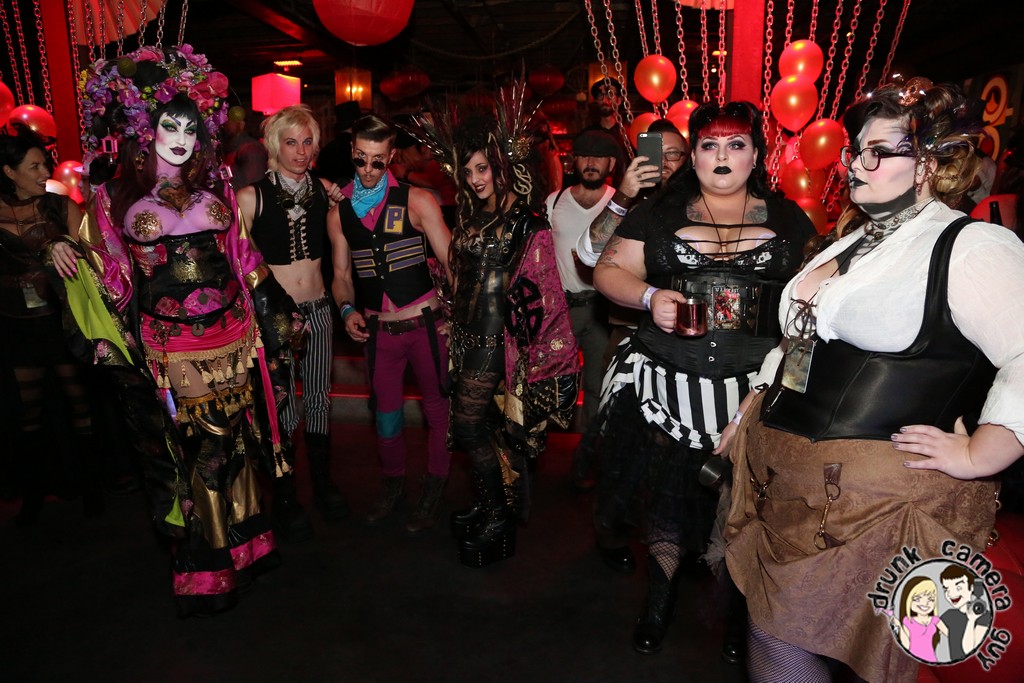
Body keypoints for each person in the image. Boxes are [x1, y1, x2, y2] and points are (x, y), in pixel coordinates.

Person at [724, 82, 1024, 682]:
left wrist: (983, 451)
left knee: (856, 654)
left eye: (879, 152)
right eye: (855, 150)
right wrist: (750, 406)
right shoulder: (855, 239)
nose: (856, 165)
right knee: (778, 632)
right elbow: (797, 342)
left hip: (881, 506)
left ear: (930, 164)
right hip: (786, 482)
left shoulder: (968, 246)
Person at [75, 44, 298, 617]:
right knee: (204, 447)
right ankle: (205, 567)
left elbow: (245, 258)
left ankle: (246, 547)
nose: (181, 137)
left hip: (234, 335)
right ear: (143, 127)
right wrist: (58, 248)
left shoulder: (218, 188)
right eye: (169, 125)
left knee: (238, 442)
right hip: (172, 345)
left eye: (191, 127)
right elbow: (105, 272)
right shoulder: (113, 197)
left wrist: (278, 314)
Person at [590, 101, 815, 655]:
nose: (722, 156)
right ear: (693, 156)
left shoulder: (790, 219)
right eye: (710, 145)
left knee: (746, 508)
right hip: (668, 383)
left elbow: (816, 311)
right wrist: (650, 296)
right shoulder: (657, 212)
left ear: (756, 155)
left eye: (736, 144)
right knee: (666, 503)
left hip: (754, 390)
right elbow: (606, 269)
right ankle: (659, 599)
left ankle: (740, 617)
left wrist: (793, 387)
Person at [446, 99, 579, 568]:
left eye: (482, 168)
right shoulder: (472, 214)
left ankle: (499, 521)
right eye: (467, 171)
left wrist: (533, 354)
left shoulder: (525, 219)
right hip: (467, 335)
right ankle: (489, 506)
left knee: (467, 428)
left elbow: (542, 289)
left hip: (494, 341)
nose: (474, 179)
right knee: (481, 427)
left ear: (500, 165)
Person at [327, 115, 453, 534]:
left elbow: (453, 263)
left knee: (438, 411)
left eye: (377, 161)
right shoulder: (339, 212)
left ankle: (434, 486)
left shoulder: (418, 200)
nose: (367, 169)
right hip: (379, 332)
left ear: (392, 156)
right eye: (360, 159)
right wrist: (347, 309)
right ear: (352, 153)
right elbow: (341, 275)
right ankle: (393, 484)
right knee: (385, 418)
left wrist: (460, 319)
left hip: (425, 325)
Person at [237, 104, 349, 537]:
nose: (301, 151)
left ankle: (323, 483)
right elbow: (236, 266)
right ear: (273, 145)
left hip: (318, 309)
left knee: (319, 399)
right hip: (276, 318)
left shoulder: (324, 189)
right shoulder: (250, 198)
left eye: (307, 142)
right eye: (291, 143)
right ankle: (284, 492)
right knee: (279, 404)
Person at [0, 128, 98, 525]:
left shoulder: (60, 206)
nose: (45, 173)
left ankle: (92, 490)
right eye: (34, 166)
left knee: (80, 406)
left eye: (45, 164)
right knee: (28, 415)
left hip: (63, 322)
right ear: (9, 172)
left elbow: (94, 256)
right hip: (16, 327)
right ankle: (33, 494)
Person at [544, 129, 617, 441]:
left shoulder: (619, 203)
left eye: (598, 157)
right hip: (562, 308)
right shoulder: (554, 201)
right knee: (554, 380)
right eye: (585, 155)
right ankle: (550, 447)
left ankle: (589, 450)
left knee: (598, 384)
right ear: (574, 161)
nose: (590, 162)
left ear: (611, 164)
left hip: (602, 308)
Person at [938, 565, 991, 661]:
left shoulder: (984, 616)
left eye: (958, 588)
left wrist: (971, 620)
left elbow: (969, 651)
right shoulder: (949, 615)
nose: (951, 594)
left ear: (971, 587)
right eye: (946, 589)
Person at [892, 577, 945, 662]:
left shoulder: (935, 620)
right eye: (917, 599)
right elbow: (906, 645)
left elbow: (952, 635)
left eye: (931, 599)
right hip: (912, 660)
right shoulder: (908, 621)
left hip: (931, 660)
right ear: (908, 600)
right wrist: (899, 626)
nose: (925, 603)